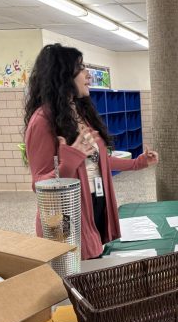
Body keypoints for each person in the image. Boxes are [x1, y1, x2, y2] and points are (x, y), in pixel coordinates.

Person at [24, 44, 158, 260]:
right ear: (62, 75)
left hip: (94, 207)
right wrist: (69, 163)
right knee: (76, 283)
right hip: (67, 219)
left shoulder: (77, 113)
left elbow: (99, 161)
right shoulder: (42, 121)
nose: (88, 74)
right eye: (80, 68)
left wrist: (138, 163)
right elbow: (39, 185)